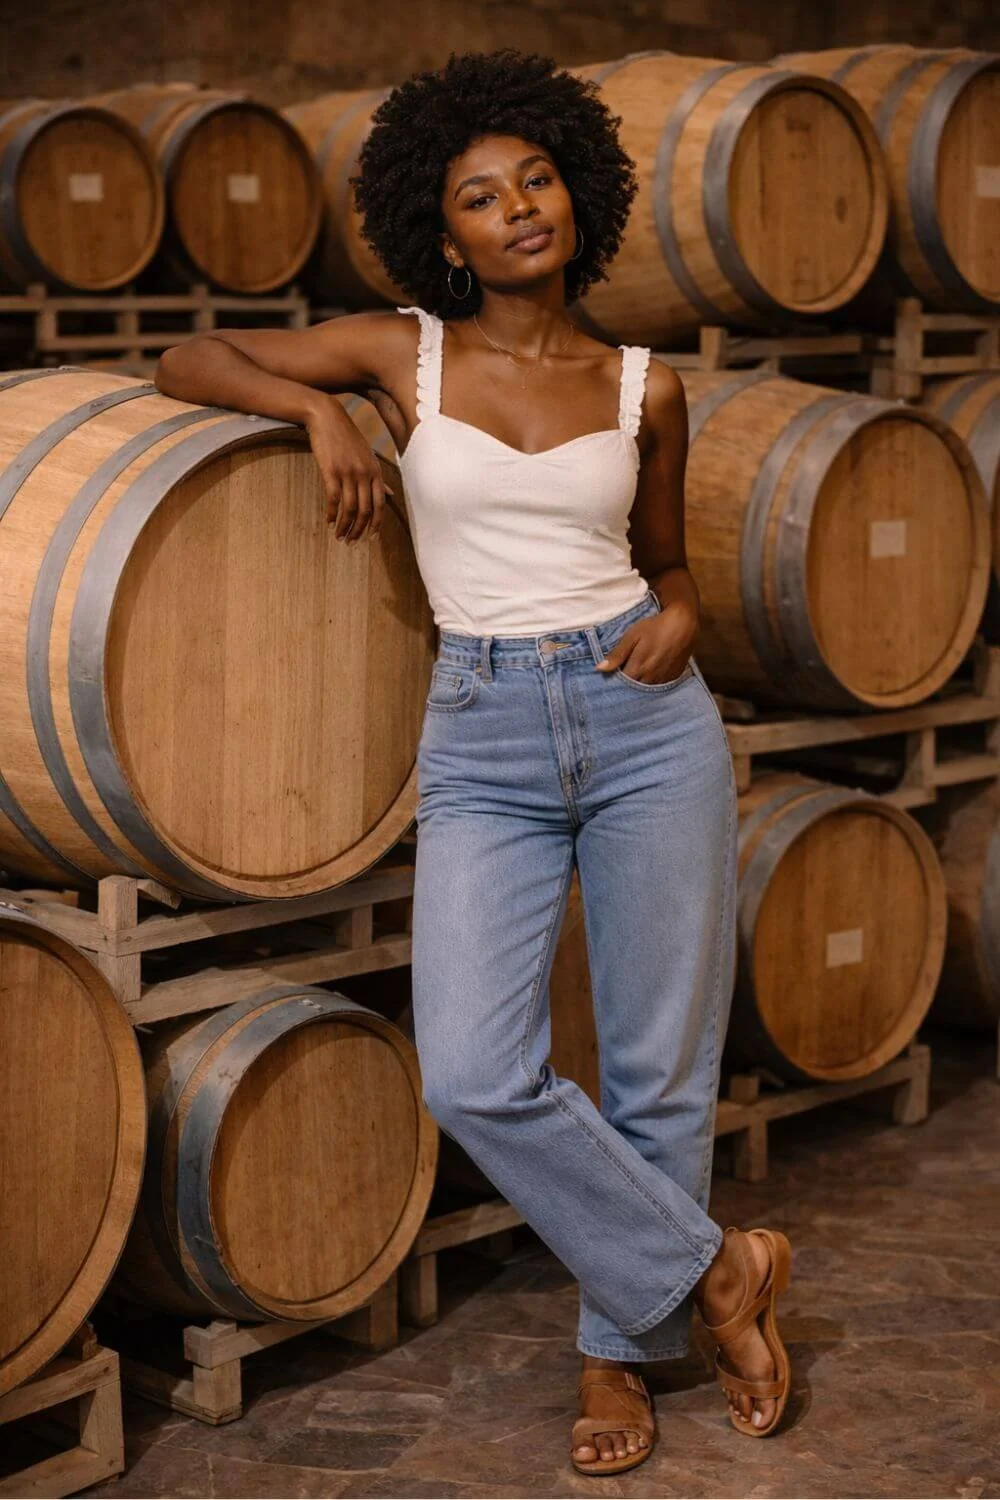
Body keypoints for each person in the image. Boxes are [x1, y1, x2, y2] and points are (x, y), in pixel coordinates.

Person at [154, 46, 793, 1479]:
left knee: (654, 1070)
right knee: (475, 1069)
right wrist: (315, 411)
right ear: (442, 235)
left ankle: (618, 1365)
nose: (519, 209)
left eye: (539, 181)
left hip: (644, 721)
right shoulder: (402, 353)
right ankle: (715, 1271)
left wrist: (683, 612)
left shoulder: (647, 385)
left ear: (579, 196)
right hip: (487, 728)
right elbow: (186, 357)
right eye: (482, 196)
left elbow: (670, 565)